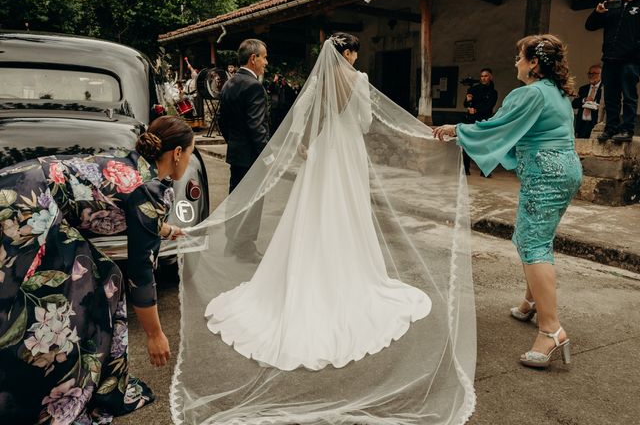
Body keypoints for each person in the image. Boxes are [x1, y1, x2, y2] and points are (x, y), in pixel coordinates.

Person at [171, 34, 475, 424]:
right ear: (347, 54)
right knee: (347, 212)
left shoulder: (319, 84)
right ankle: (345, 269)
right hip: (346, 155)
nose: (355, 58)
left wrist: (303, 148)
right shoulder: (358, 80)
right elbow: (364, 122)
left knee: (310, 214)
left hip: (321, 158)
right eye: (354, 53)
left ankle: (300, 267)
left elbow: (302, 123)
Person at [0, 116, 192, 423]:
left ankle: (73, 377)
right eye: (191, 153)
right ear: (179, 153)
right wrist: (155, 334)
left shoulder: (135, 168)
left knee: (105, 276)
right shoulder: (150, 188)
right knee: (34, 297)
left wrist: (167, 230)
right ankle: (35, 388)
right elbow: (141, 273)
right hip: (26, 205)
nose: (189, 160)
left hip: (17, 184)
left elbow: (133, 212)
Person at [434, 34, 583, 369]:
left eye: (519, 57)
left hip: (546, 172)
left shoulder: (529, 94)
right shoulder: (557, 92)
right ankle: (531, 302)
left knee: (533, 243)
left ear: (533, 63)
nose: (515, 62)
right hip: (566, 169)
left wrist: (456, 129)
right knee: (532, 236)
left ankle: (550, 330)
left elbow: (496, 127)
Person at [217, 38, 269, 263]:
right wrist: (268, 156)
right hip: (252, 157)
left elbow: (222, 121)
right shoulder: (254, 86)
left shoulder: (229, 83)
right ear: (253, 58)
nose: (266, 62)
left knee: (236, 199)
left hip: (237, 154)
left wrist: (234, 143)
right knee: (252, 203)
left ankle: (233, 243)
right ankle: (246, 249)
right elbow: (257, 128)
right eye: (264, 57)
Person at [585, 0, 640, 143]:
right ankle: (611, 128)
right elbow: (589, 26)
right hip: (609, 59)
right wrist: (597, 13)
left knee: (629, 96)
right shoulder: (613, 7)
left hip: (630, 60)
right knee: (611, 97)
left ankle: (627, 130)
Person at [462, 68, 498, 176]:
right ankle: (466, 169)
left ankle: (484, 170)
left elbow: (489, 106)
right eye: (482, 76)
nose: (483, 78)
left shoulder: (493, 92)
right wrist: (468, 101)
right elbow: (466, 104)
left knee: (485, 146)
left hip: (484, 120)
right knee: (467, 144)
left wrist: (476, 110)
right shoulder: (473, 89)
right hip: (471, 120)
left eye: (486, 76)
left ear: (490, 77)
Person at [572, 65, 603, 139]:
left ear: (601, 75)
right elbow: (574, 104)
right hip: (582, 124)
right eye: (589, 73)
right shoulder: (583, 89)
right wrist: (584, 100)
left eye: (594, 73)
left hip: (595, 124)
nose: (591, 75)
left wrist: (597, 105)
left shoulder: (604, 89)